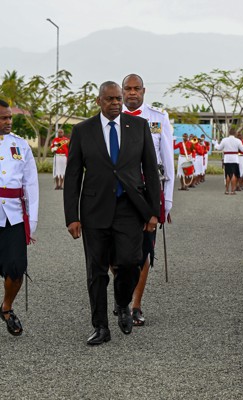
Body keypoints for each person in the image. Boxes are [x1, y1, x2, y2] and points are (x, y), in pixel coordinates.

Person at [63, 81, 160, 345]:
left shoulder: (138, 127)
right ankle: (100, 327)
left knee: (131, 261)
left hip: (129, 208)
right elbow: (72, 176)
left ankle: (122, 302)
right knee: (96, 272)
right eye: (110, 99)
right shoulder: (83, 131)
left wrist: (154, 212)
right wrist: (72, 216)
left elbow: (151, 171)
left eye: (119, 99)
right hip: (94, 211)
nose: (116, 103)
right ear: (99, 101)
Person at [121, 73, 174, 325]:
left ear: (144, 91)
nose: (132, 93)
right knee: (116, 254)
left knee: (143, 252)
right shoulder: (111, 117)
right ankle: (122, 299)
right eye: (128, 89)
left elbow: (167, 161)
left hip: (148, 191)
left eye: (136, 88)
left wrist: (168, 201)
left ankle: (135, 305)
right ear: (121, 92)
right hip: (118, 193)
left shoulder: (158, 118)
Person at [0, 99, 39, 336]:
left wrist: (30, 221)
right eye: (3, 118)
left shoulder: (20, 145)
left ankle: (6, 307)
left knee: (16, 268)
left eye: (9, 117)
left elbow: (31, 184)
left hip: (13, 215)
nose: (8, 122)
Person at [213, 129, 243, 194]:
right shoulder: (238, 141)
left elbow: (219, 148)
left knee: (227, 174)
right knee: (234, 174)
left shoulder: (224, 140)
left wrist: (215, 143)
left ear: (229, 133)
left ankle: (227, 190)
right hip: (234, 158)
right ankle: (233, 191)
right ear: (235, 134)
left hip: (227, 158)